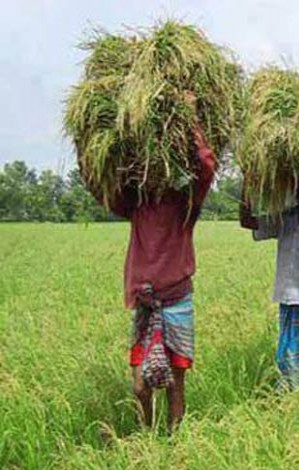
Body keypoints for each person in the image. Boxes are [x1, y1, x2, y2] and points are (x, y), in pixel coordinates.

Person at [91, 100, 216, 433]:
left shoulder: (185, 205)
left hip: (177, 302)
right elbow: (99, 187)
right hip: (146, 306)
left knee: (175, 384)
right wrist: (90, 145)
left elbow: (206, 169)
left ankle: (174, 443)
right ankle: (147, 435)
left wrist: (190, 118)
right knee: (140, 387)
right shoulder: (136, 204)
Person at [240, 188, 299, 388]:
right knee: (288, 360)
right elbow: (247, 222)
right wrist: (248, 185)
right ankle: (291, 397)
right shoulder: (286, 218)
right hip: (288, 299)